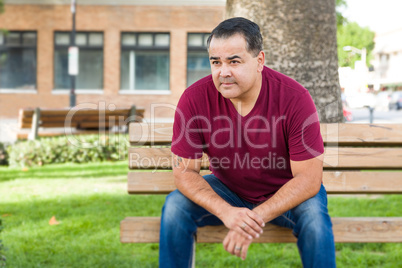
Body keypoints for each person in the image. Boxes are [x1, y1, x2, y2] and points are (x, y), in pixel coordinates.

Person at [159, 17, 335, 268]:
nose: (224, 72)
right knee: (175, 206)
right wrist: (227, 212)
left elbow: (308, 179)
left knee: (315, 219)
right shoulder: (194, 99)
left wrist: (251, 219)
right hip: (229, 191)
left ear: (259, 61)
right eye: (215, 62)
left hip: (285, 193)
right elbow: (185, 173)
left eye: (234, 61)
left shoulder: (294, 98)